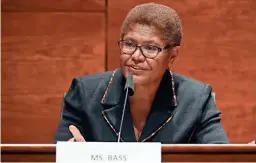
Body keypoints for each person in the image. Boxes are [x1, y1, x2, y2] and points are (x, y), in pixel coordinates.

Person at [54, 3, 229, 143]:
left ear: (172, 55)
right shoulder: (84, 93)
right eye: (129, 44)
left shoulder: (196, 99)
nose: (136, 56)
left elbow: (219, 155)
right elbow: (56, 154)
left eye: (150, 48)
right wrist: (71, 155)